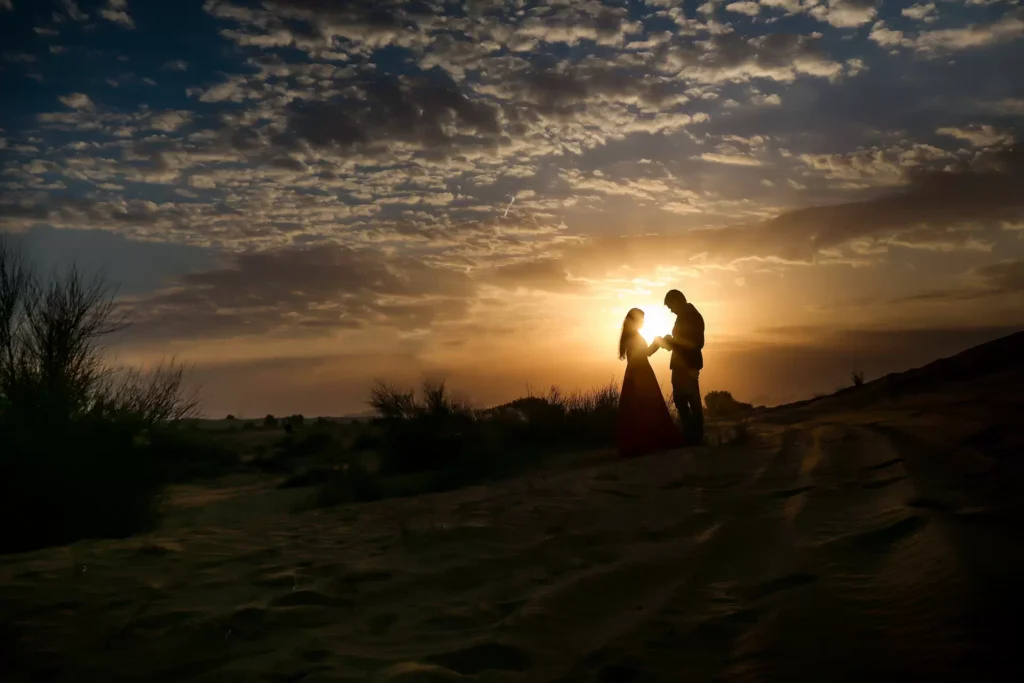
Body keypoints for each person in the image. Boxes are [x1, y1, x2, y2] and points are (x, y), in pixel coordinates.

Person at [616, 308, 684, 457]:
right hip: (640, 372)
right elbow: (644, 353)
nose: (643, 322)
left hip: (636, 372)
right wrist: (657, 343)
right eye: (641, 319)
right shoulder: (634, 336)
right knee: (646, 405)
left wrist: (657, 343)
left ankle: (641, 442)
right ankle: (648, 442)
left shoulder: (631, 335)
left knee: (638, 406)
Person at [660, 290, 705, 446]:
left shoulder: (691, 316)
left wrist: (671, 342)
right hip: (682, 364)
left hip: (688, 365)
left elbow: (695, 343)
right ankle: (691, 435)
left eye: (670, 306)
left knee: (690, 400)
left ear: (677, 301)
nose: (671, 310)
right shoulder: (685, 315)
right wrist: (670, 342)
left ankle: (695, 437)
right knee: (682, 400)